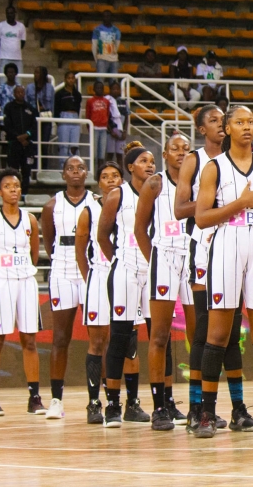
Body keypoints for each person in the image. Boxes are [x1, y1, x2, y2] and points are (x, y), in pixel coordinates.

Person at [193, 105, 253, 438]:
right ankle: (205, 413)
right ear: (227, 128)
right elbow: (201, 218)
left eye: (251, 122)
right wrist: (240, 204)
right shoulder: (214, 168)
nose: (247, 127)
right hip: (227, 243)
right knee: (217, 334)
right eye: (240, 122)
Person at [173, 104, 245, 431]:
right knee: (205, 328)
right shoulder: (195, 160)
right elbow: (179, 209)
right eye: (213, 121)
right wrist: (215, 203)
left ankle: (239, 407)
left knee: (232, 334)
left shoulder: (242, 161)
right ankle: (196, 406)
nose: (220, 125)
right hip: (204, 246)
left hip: (237, 244)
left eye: (222, 120)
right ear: (202, 130)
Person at [75, 161, 148, 424]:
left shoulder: (136, 202)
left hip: (130, 275)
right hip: (101, 275)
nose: (110, 180)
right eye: (105, 177)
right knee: (98, 342)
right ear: (98, 183)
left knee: (129, 342)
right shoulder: (89, 211)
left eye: (115, 176)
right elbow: (81, 252)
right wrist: (92, 278)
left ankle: (132, 403)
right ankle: (95, 402)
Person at [134, 133, 196, 430]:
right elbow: (139, 229)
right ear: (165, 155)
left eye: (186, 148)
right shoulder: (155, 184)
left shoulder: (200, 180)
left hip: (194, 258)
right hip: (165, 257)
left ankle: (198, 406)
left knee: (198, 337)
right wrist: (154, 260)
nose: (181, 152)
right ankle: (159, 406)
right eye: (175, 148)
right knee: (159, 335)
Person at [0, 169, 45, 417]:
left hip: (26, 280)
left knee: (29, 340)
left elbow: (34, 253)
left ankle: (34, 397)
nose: (13, 190)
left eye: (16, 185)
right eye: (8, 186)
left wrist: (25, 270)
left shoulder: (31, 220)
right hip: (1, 281)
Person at [96, 141, 156, 427]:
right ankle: (112, 404)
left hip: (154, 270)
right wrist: (119, 262)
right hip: (126, 269)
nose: (151, 165)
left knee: (157, 337)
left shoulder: (162, 192)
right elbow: (102, 236)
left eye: (153, 160)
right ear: (130, 167)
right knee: (120, 337)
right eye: (144, 161)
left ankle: (143, 403)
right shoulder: (117, 196)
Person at [42, 157, 92, 419]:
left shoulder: (96, 202)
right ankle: (56, 400)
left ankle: (102, 398)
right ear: (63, 174)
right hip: (62, 270)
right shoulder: (52, 206)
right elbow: (48, 241)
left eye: (80, 168)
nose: (76, 172)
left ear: (86, 173)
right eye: (70, 168)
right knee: (60, 338)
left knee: (99, 338)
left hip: (89, 271)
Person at [2, 85, 37, 195]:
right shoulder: (9, 107)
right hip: (14, 144)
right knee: (13, 171)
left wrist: (27, 135)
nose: (20, 94)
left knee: (26, 171)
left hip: (27, 145)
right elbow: (7, 125)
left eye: (22, 92)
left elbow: (34, 126)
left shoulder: (30, 108)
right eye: (18, 92)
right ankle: (13, 193)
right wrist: (18, 137)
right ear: (14, 94)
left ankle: (24, 194)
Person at [25, 66, 54, 170]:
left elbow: (53, 104)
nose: (35, 75)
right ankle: (33, 168)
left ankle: (44, 168)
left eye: (38, 73)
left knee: (44, 145)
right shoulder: (29, 87)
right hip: (33, 120)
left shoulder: (50, 88)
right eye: (35, 73)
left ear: (43, 74)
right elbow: (26, 104)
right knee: (33, 144)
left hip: (46, 120)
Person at [86, 81, 118, 168]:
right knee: (94, 152)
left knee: (102, 154)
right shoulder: (90, 101)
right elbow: (88, 115)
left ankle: (99, 172)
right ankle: (92, 171)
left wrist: (109, 129)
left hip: (103, 129)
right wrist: (90, 129)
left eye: (101, 88)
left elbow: (107, 115)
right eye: (98, 88)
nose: (100, 90)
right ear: (94, 89)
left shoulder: (106, 101)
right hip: (94, 128)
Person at [0, 63, 20, 168]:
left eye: (13, 72)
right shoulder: (0, 88)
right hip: (4, 123)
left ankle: (14, 168)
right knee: (4, 146)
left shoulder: (19, 88)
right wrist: (1, 118)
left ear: (16, 73)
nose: (11, 74)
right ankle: (3, 169)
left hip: (17, 123)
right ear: (6, 74)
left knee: (15, 145)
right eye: (9, 72)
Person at [54, 71, 83, 160]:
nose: (71, 80)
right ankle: (63, 167)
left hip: (75, 118)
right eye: (68, 78)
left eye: (72, 78)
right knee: (64, 145)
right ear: (65, 79)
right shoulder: (59, 93)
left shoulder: (77, 94)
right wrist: (58, 121)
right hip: (64, 117)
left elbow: (78, 108)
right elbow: (56, 108)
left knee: (74, 146)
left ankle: (73, 166)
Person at [0, 6, 26, 75]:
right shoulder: (0, 26)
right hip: (4, 58)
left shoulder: (21, 26)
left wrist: (15, 50)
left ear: (15, 14)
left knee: (18, 81)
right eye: (8, 13)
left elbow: (23, 42)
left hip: (17, 58)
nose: (9, 15)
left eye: (11, 13)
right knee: (3, 81)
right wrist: (2, 54)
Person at [92, 10, 121, 78]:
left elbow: (117, 46)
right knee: (100, 81)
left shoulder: (116, 30)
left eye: (108, 16)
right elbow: (94, 46)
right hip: (101, 59)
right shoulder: (97, 30)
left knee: (114, 82)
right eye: (105, 16)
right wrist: (97, 59)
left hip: (114, 60)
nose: (106, 18)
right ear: (102, 18)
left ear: (111, 18)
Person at [107, 81, 128, 166]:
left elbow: (127, 117)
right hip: (110, 131)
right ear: (110, 90)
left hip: (121, 130)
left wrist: (125, 131)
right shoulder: (108, 101)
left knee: (120, 155)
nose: (115, 90)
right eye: (113, 89)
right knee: (110, 155)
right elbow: (106, 117)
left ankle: (120, 175)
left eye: (117, 89)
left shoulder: (123, 101)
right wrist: (110, 131)